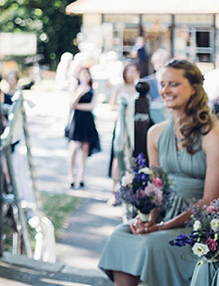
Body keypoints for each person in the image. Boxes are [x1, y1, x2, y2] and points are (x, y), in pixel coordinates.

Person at [99, 59, 219, 286]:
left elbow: (210, 199)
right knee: (121, 236)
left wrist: (163, 226)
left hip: (197, 224)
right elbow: (157, 191)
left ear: (194, 87)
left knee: (150, 244)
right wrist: (148, 219)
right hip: (164, 216)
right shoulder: (155, 133)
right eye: (163, 84)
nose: (165, 90)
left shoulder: (212, 133)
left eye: (173, 84)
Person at [65, 67, 102, 188]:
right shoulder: (77, 89)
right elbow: (72, 103)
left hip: (87, 121)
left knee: (85, 148)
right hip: (77, 121)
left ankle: (81, 176)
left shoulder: (93, 90)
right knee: (74, 147)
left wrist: (78, 106)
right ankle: (70, 175)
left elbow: (91, 106)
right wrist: (80, 91)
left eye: (87, 75)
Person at [109, 62, 140, 200]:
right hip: (122, 124)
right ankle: (114, 189)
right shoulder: (119, 88)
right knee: (118, 155)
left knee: (133, 156)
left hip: (135, 125)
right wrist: (122, 108)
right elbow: (112, 106)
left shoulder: (139, 88)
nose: (130, 74)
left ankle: (130, 189)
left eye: (133, 71)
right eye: (128, 71)